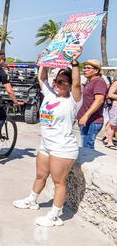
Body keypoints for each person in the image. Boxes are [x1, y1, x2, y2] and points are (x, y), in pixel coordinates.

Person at [13, 48, 83, 227]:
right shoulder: (50, 94)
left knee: (59, 182)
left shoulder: (73, 100)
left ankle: (54, 216)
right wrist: (45, 60)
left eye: (61, 82)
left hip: (62, 147)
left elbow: (76, 83)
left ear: (68, 85)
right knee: (40, 175)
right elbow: (41, 78)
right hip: (46, 145)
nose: (56, 84)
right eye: (56, 80)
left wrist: (75, 62)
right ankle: (32, 200)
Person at [76, 59, 107, 149]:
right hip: (86, 120)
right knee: (85, 147)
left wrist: (86, 116)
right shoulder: (90, 81)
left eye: (88, 68)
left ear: (96, 70)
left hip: (92, 121)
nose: (84, 70)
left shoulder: (99, 81)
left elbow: (99, 100)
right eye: (84, 68)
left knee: (88, 149)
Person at [104, 77, 117, 147]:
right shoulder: (116, 83)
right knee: (113, 125)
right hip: (114, 106)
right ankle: (109, 142)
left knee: (113, 124)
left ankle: (108, 138)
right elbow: (110, 94)